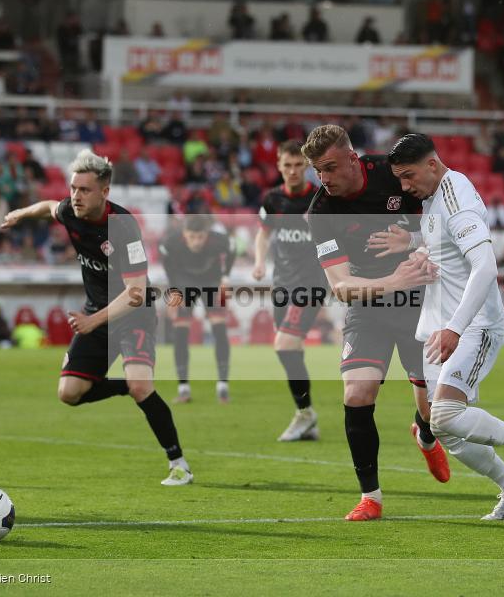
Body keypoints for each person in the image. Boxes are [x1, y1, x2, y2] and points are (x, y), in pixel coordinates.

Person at [371, 133, 504, 522]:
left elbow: (485, 267)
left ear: (432, 165)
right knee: (447, 428)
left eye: (409, 176)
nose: (405, 187)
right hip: (439, 324)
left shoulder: (456, 198)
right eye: (399, 179)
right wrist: (413, 240)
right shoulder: (434, 197)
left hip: (472, 325)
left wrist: (456, 328)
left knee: (443, 415)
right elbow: (444, 242)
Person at [1, 149, 193, 486]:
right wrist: (22, 213)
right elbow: (48, 207)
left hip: (135, 315)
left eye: (84, 190)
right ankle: (121, 387)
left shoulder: (124, 227)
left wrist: (93, 321)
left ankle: (179, 464)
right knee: (69, 393)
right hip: (97, 315)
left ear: (104, 192)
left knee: (141, 387)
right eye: (73, 188)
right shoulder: (69, 211)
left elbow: (135, 292)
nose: (75, 196)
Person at [303, 125, 450, 521]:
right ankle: (371, 497)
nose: (325, 178)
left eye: (331, 167)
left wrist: (415, 245)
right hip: (368, 307)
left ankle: (425, 434)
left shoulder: (394, 172)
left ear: (353, 157)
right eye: (318, 170)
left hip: (420, 304)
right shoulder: (321, 212)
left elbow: (445, 223)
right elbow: (340, 285)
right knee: (357, 394)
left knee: (434, 411)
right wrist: (392, 281)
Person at [252, 140, 326, 441]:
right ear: (279, 166)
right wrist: (258, 262)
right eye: (287, 166)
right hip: (281, 283)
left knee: (284, 346)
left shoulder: (320, 200)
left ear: (306, 166)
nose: (293, 171)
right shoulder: (272, 200)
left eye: (298, 165)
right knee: (290, 350)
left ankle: (305, 414)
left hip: (310, 284)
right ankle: (307, 417)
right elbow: (262, 234)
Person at [159, 213, 236, 404]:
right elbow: (167, 264)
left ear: (207, 234)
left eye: (200, 237)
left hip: (212, 281)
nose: (196, 241)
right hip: (184, 282)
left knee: (219, 329)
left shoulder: (219, 241)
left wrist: (225, 278)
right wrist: (174, 290)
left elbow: (232, 249)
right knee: (180, 331)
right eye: (192, 237)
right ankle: (183, 388)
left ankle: (222, 386)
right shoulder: (171, 242)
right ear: (184, 234)